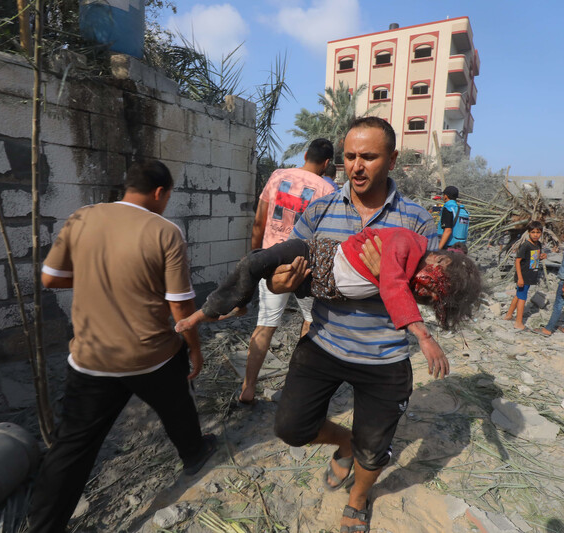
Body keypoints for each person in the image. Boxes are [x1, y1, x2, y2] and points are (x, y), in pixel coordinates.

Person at [268, 118, 474, 533]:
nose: (356, 166)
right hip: (322, 342)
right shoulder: (319, 209)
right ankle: (341, 441)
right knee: (291, 428)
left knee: (374, 446)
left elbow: (431, 292)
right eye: (349, 156)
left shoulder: (416, 221)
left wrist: (392, 279)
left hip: (384, 356)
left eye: (369, 156)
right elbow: (286, 268)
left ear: (392, 159)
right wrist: (279, 280)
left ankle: (359, 498)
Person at [25, 161, 216, 533]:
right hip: (151, 356)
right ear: (160, 193)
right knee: (178, 404)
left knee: (72, 446)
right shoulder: (165, 231)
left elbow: (50, 277)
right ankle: (194, 454)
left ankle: (43, 527)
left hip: (91, 357)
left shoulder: (81, 218)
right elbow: (180, 305)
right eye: (167, 197)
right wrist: (194, 348)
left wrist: (101, 277)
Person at [175, 226, 481, 335]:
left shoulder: (410, 264)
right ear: (439, 259)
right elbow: (394, 286)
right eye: (352, 156)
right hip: (310, 255)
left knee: (257, 263)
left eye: (426, 298)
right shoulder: (407, 243)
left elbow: (396, 290)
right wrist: (278, 286)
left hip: (319, 288)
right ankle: (207, 311)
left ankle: (240, 301)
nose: (420, 292)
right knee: (256, 262)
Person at [241, 139, 335, 404]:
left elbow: (259, 222)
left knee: (265, 324)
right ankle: (297, 387)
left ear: (306, 155)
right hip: (305, 267)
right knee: (310, 322)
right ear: (327, 163)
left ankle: (248, 388)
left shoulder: (278, 176)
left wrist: (256, 257)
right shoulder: (328, 188)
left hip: (272, 262)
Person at [503, 221, 546, 330]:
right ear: (528, 233)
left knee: (519, 295)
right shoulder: (526, 245)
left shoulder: (538, 244)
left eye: (538, 232)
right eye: (533, 232)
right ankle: (518, 322)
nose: (535, 234)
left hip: (531, 274)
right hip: (524, 275)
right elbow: (517, 261)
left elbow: (533, 257)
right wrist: (520, 278)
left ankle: (508, 315)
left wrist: (540, 256)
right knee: (522, 297)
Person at [436, 185, 470, 250]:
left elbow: (448, 230)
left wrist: (438, 249)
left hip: (449, 248)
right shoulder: (463, 211)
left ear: (445, 196)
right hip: (461, 248)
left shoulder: (448, 209)